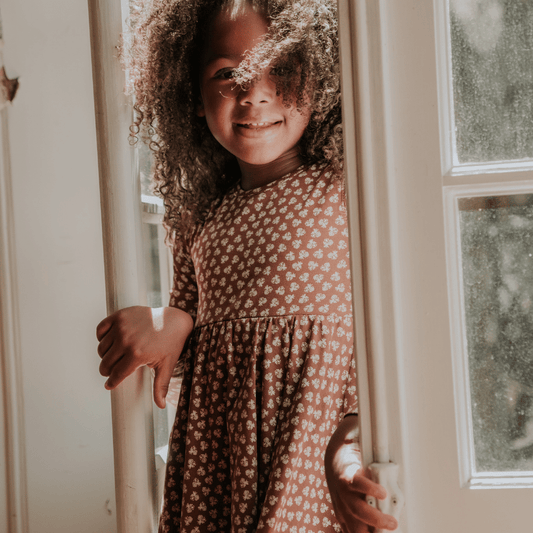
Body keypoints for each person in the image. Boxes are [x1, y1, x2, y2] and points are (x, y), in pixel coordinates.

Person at [96, 1, 399, 531]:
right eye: (226, 73)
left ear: (319, 77)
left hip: (316, 457)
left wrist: (350, 445)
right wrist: (173, 322)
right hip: (219, 467)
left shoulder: (344, 189)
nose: (254, 93)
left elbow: (375, 343)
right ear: (192, 95)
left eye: (278, 67)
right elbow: (190, 341)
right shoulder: (199, 218)